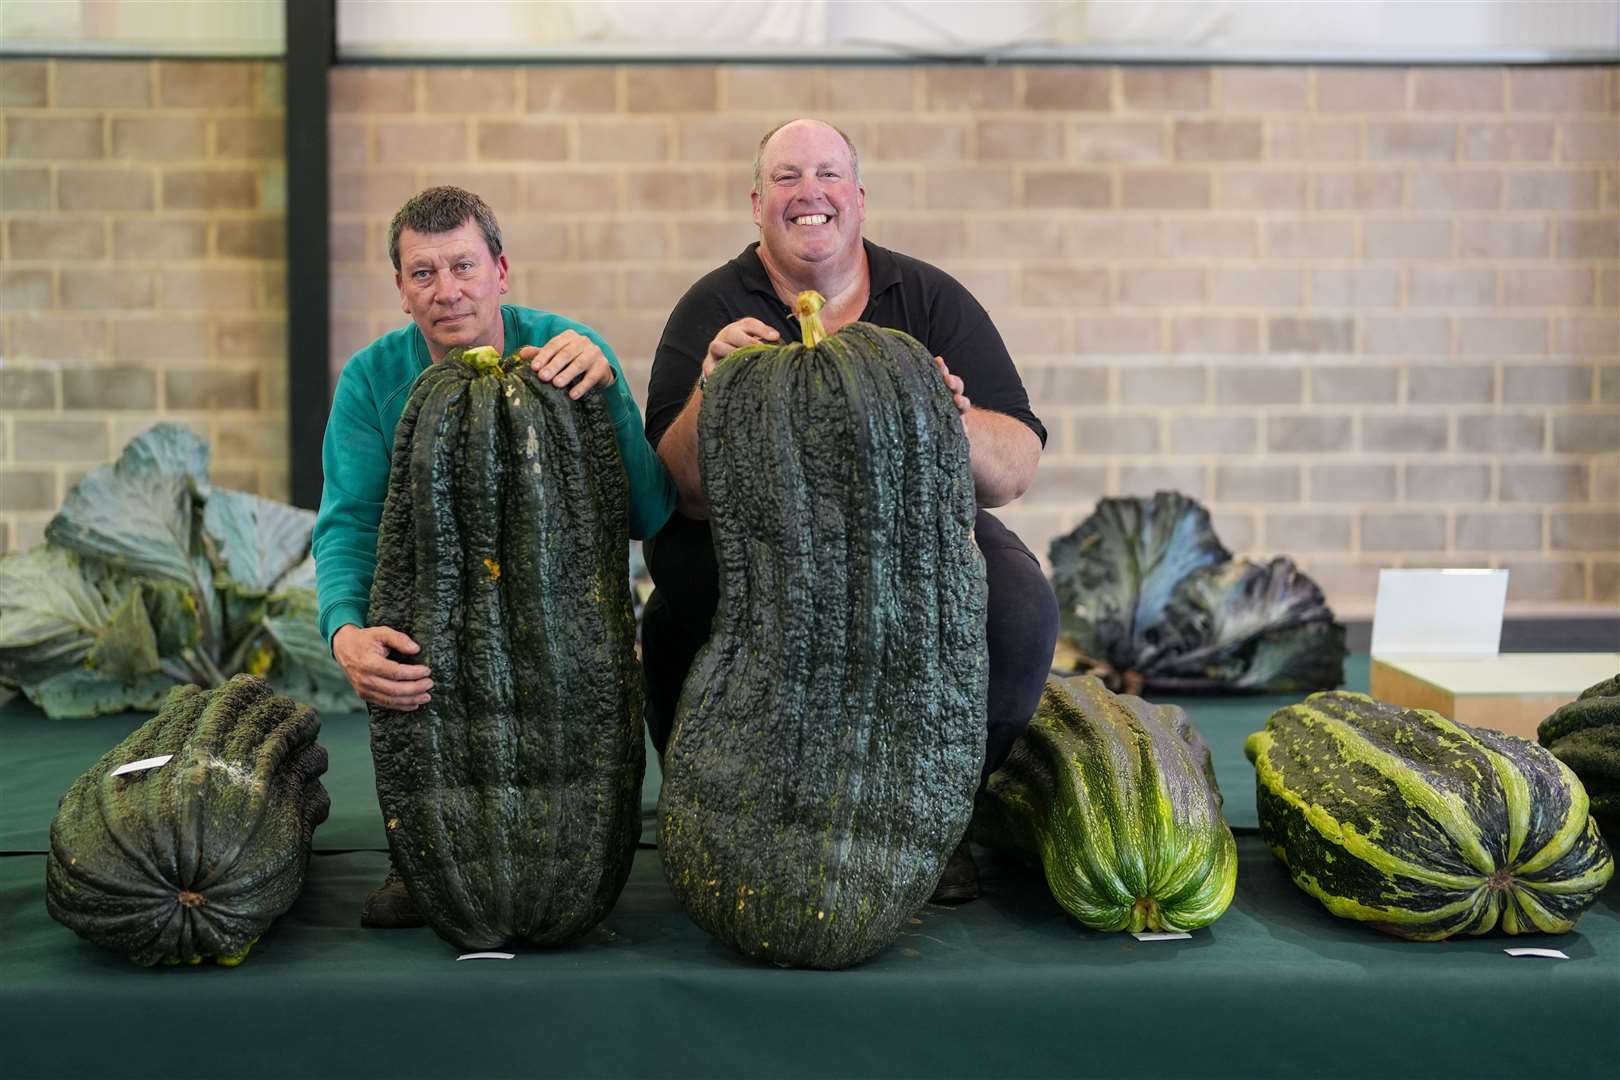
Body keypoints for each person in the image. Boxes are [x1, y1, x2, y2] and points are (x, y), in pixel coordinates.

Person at [640, 119, 1060, 903]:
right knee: (677, 613)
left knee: (1018, 609)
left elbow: (1015, 469)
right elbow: (677, 490)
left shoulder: (927, 296)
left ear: (858, 200)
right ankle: (722, 810)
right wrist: (709, 386)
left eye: (828, 174)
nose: (810, 193)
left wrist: (940, 417)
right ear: (758, 203)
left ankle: (937, 815)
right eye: (789, 177)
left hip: (912, 537)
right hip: (763, 543)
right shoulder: (713, 305)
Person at [312, 185, 675, 926]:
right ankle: (430, 866)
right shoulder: (372, 379)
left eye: (463, 266)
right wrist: (344, 629)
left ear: (500, 270)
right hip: (435, 615)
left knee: (570, 744)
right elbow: (347, 522)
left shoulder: (568, 352)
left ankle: (568, 875)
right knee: (422, 711)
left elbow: (650, 510)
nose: (447, 291)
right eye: (424, 273)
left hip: (564, 614)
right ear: (402, 291)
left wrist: (605, 392)